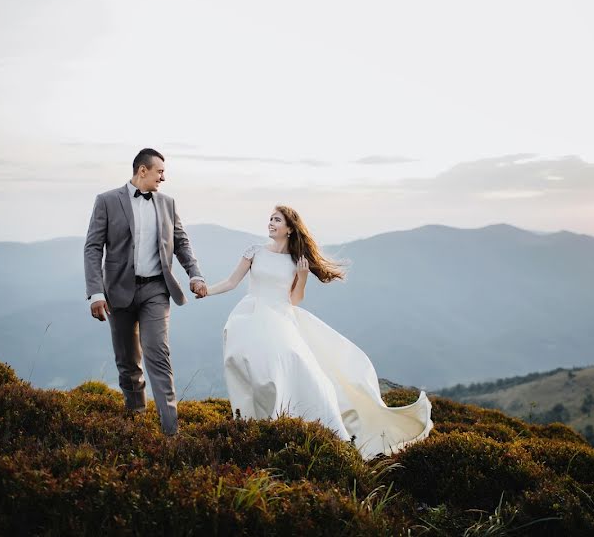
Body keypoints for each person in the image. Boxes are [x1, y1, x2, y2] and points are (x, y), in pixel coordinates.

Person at [198, 205, 432, 459]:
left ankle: (296, 427)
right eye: (270, 219)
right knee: (254, 369)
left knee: (292, 368)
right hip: (251, 316)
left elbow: (294, 300)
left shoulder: (296, 262)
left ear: (289, 228)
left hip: (280, 318)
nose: (271, 223)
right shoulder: (254, 252)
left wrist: (303, 276)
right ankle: (256, 426)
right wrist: (206, 290)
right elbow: (232, 282)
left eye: (277, 220)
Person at [83, 148, 207, 435]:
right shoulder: (106, 201)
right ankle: (136, 420)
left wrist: (195, 274)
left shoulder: (167, 203)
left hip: (155, 290)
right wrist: (96, 292)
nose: (164, 177)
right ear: (142, 170)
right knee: (127, 361)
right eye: (160, 172)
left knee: (158, 355)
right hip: (118, 292)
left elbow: (182, 243)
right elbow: (92, 248)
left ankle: (170, 432)